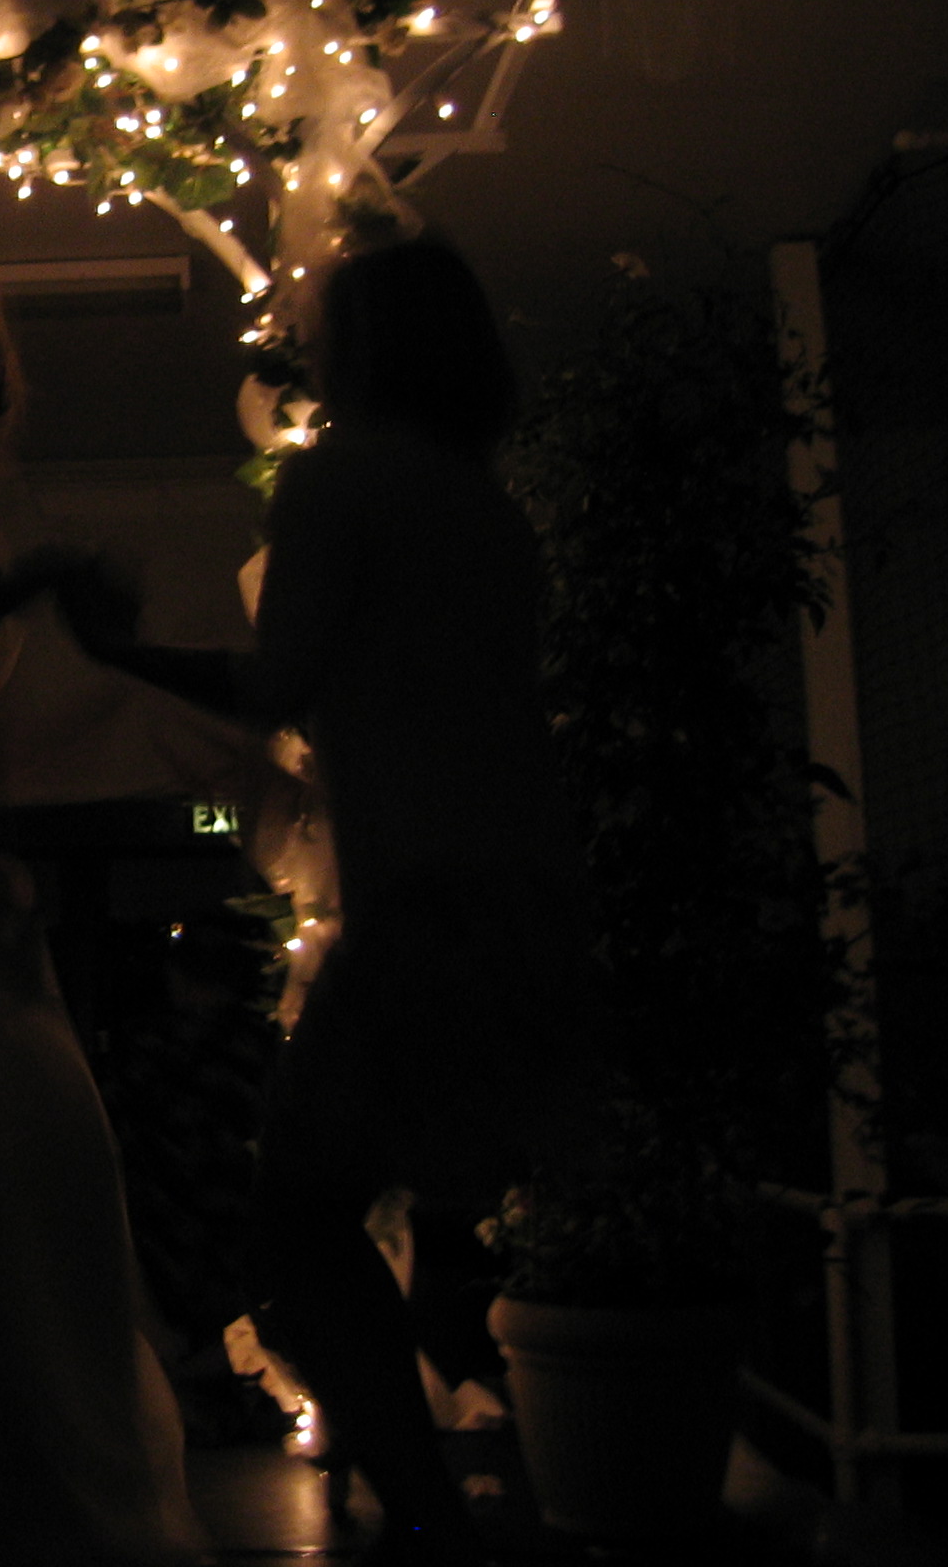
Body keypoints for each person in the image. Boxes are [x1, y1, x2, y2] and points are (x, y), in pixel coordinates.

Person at [61, 235, 598, 1567]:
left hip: (423, 895)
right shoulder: (487, 509)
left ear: (364, 346)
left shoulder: (340, 477)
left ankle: (426, 1517)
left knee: (296, 1230)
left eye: (322, 326)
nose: (302, 346)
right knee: (441, 1210)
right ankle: (452, 1504)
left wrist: (119, 652)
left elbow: (275, 683)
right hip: (528, 886)